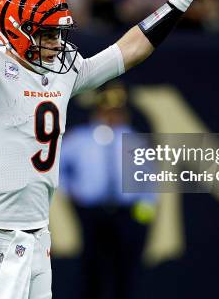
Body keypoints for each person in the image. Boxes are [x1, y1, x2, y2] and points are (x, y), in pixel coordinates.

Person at [0, 0, 216, 299]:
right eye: (46, 33)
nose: (56, 42)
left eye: (58, 32)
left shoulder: (61, 73)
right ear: (17, 30)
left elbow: (128, 51)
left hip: (37, 237)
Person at [60, 82, 155, 299]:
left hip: (127, 212)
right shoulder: (80, 138)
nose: (111, 115)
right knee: (92, 269)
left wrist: (145, 209)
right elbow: (57, 167)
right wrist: (71, 192)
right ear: (97, 110)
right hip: (91, 211)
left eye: (116, 110)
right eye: (106, 109)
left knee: (125, 270)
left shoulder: (135, 140)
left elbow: (149, 177)